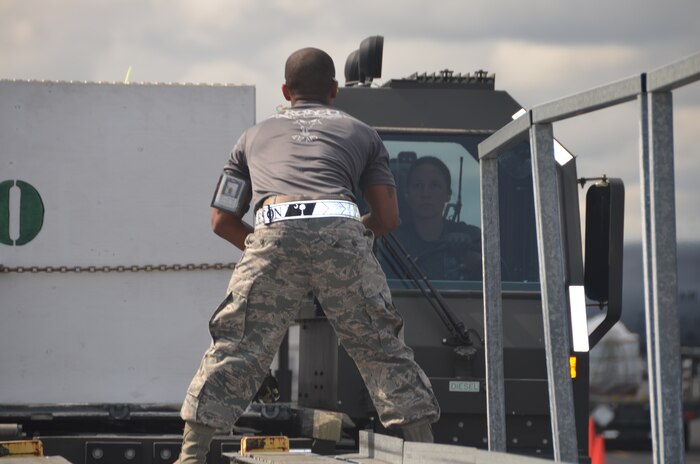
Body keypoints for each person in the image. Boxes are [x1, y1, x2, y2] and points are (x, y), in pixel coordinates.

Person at [175, 47, 440, 463]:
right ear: (334, 90)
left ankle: (191, 456)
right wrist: (342, 239)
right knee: (381, 348)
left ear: (285, 90)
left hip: (273, 226)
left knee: (236, 346)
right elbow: (387, 218)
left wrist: (270, 248)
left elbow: (221, 221)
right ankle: (426, 452)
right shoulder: (363, 134)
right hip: (340, 229)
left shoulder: (251, 137)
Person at [393, 156, 481, 281]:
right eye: (418, 186)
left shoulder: (473, 237)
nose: (425, 194)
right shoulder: (393, 243)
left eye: (434, 186)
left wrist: (466, 254)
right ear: (407, 194)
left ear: (448, 194)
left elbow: (492, 277)